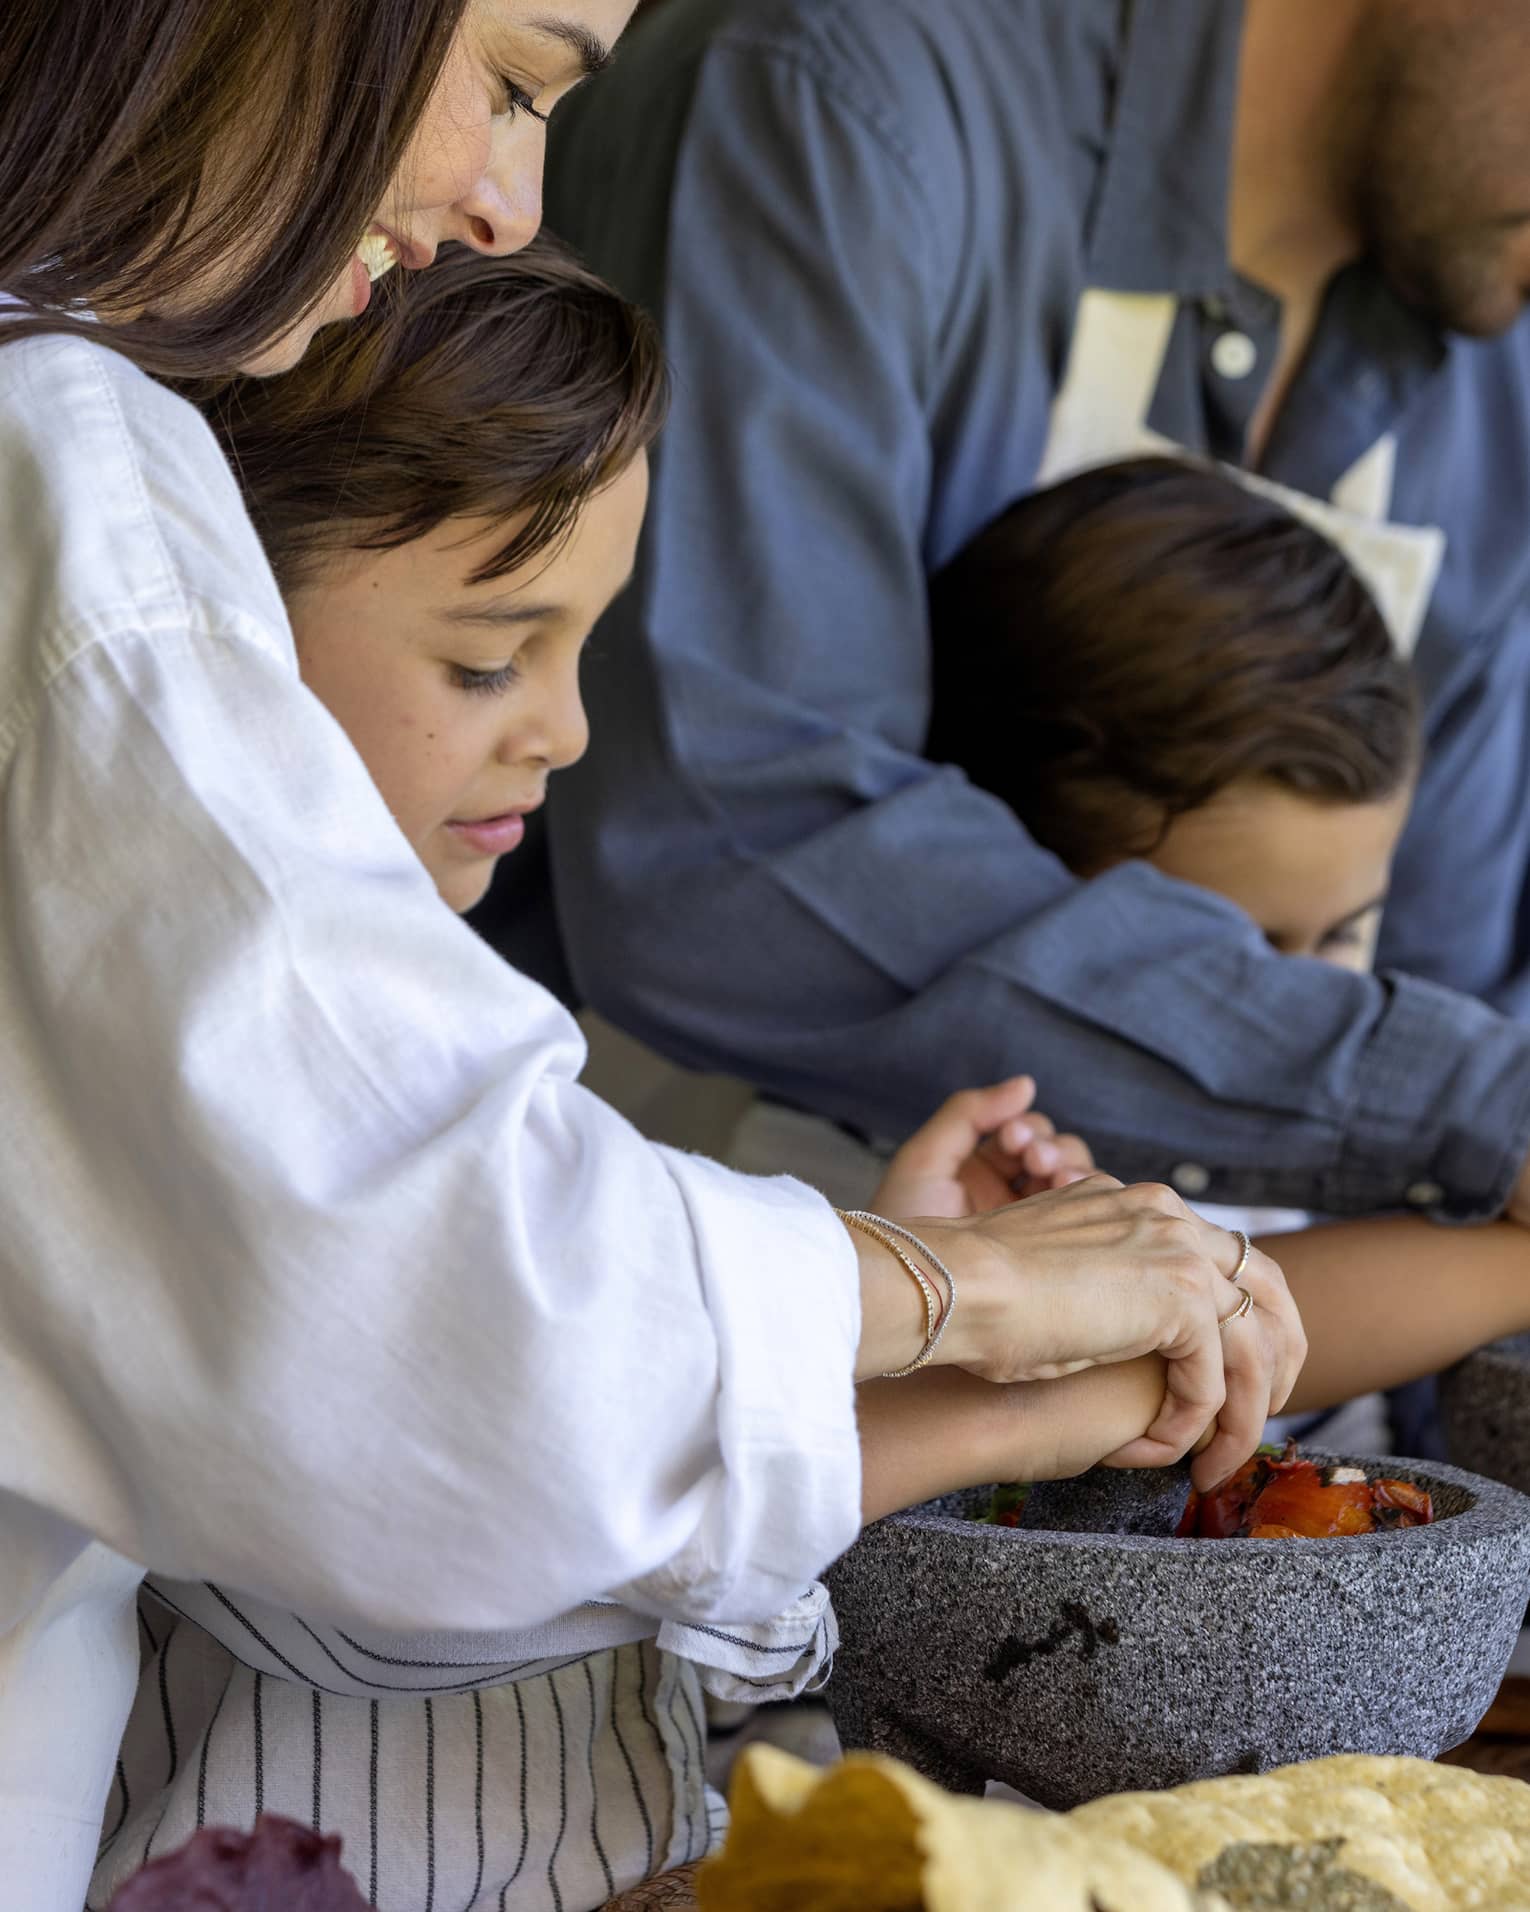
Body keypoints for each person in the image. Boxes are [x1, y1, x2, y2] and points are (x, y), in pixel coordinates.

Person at [0, 11, 1298, 1904]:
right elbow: (438, 1342)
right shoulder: (69, 460)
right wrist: (965, 1294)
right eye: (517, 77)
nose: (507, 198)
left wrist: (941, 1323)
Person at [95, 255, 1528, 1910]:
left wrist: (935, 1309)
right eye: (492, 656)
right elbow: (453, 1510)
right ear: (215, 627)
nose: (565, 735)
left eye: (584, 654)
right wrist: (981, 1325)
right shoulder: (246, 1019)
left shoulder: (450, 1005)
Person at [535, 0, 1530, 1228]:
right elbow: (728, 848)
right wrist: (1464, 1112)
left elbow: (1466, 1009)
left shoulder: (1493, 377)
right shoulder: (840, 88)